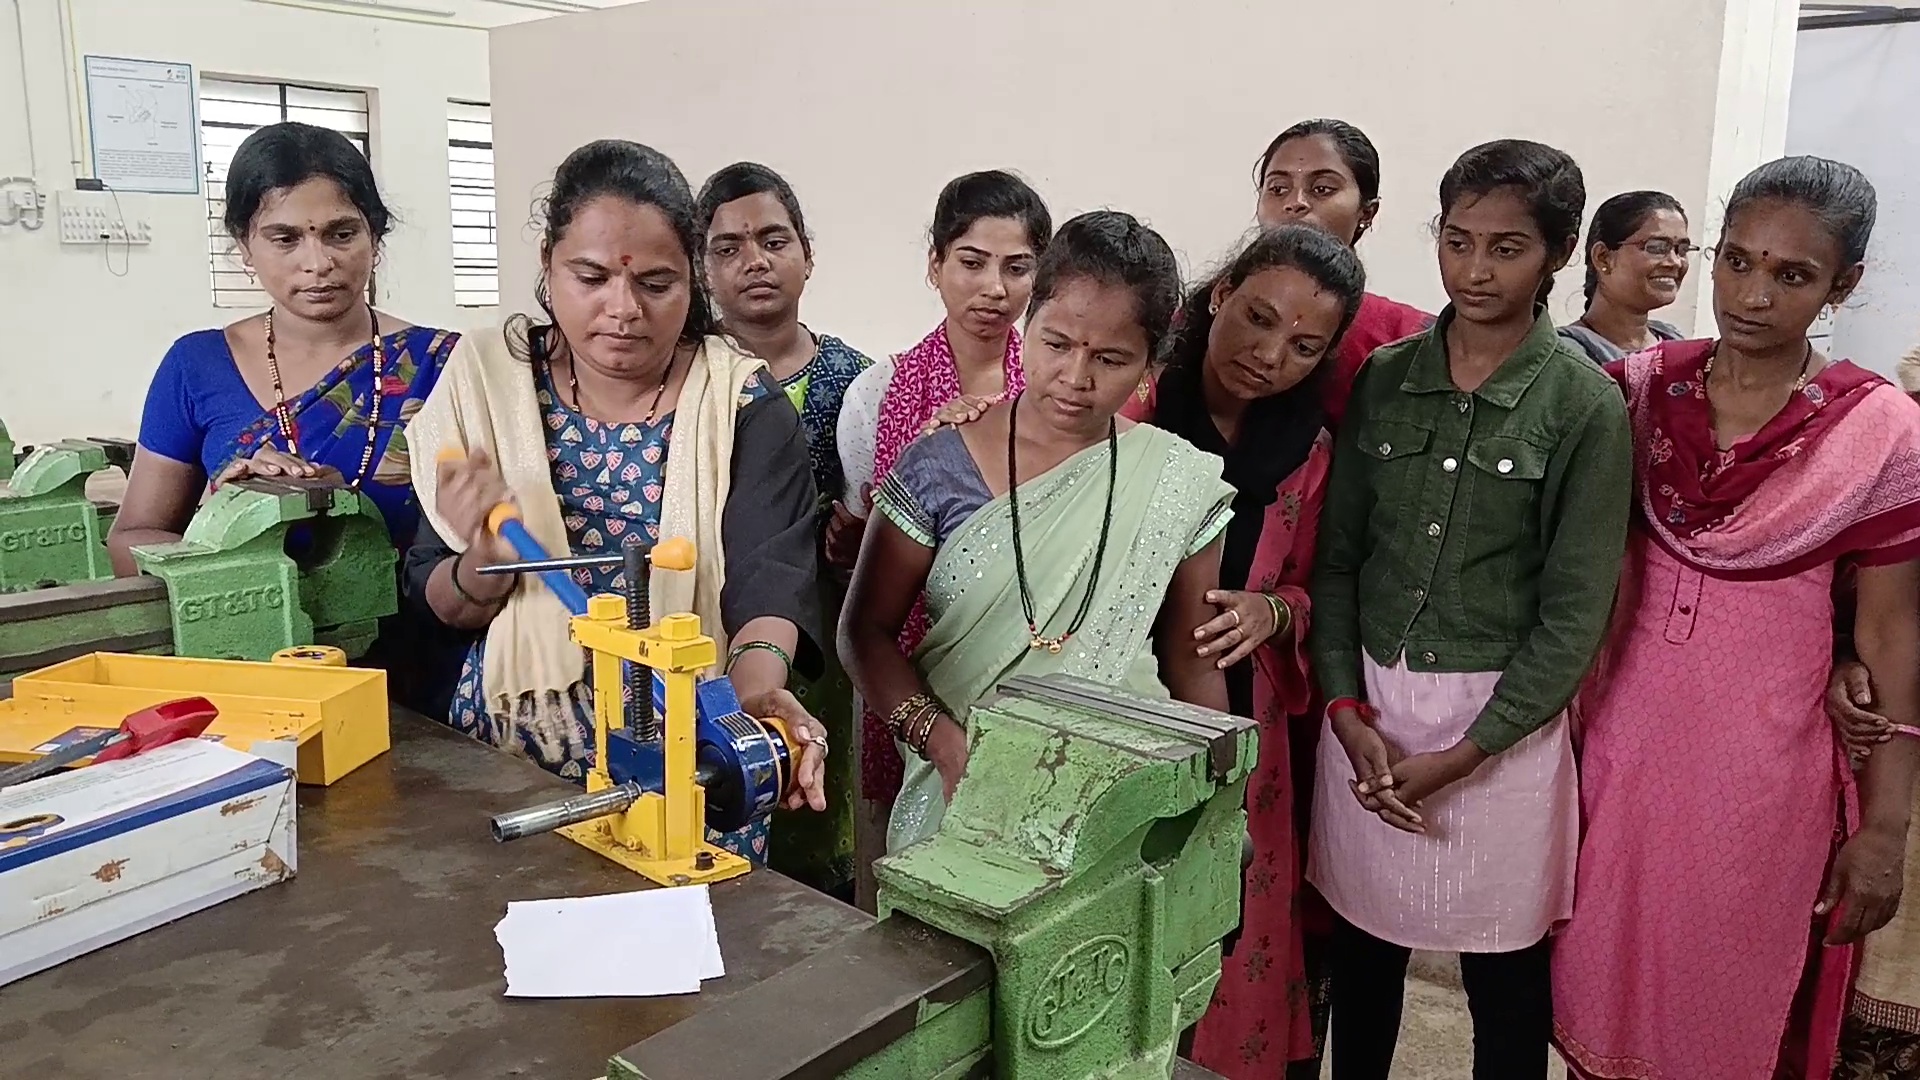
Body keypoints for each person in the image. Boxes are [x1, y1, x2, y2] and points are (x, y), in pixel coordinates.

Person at [1552, 157, 1920, 1080]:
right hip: (1617, 752)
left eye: (1793, 275)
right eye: (1738, 262)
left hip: (1760, 776)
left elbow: (1890, 633)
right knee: (1598, 987)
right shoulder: (1637, 390)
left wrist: (1884, 830)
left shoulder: (1878, 431)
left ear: (1845, 283)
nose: (1753, 295)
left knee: (1723, 1005)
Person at [403, 140, 829, 858]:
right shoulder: (485, 384)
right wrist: (486, 555)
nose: (622, 309)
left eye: (656, 283)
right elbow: (440, 599)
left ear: (692, 280)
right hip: (510, 753)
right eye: (591, 277)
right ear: (547, 265)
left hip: (690, 753)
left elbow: (769, 583)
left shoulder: (742, 406)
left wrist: (753, 696)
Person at [1308, 139, 1631, 1080]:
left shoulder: (1582, 406)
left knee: (1505, 976)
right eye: (1458, 241)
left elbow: (1576, 614)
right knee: (1365, 957)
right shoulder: (1386, 377)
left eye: (1507, 248)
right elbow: (1339, 565)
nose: (1476, 270)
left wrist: (1467, 753)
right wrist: (1343, 709)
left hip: (1503, 735)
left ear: (1560, 254)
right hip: (1371, 709)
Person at [839, 209, 1233, 854]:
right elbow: (864, 632)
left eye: (1110, 358)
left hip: (1122, 788)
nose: (1076, 379)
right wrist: (944, 746)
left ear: (1150, 364)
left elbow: (1191, 661)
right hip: (961, 782)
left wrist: (1215, 792)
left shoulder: (1173, 480)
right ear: (1028, 325)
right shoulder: (938, 464)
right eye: (1056, 344)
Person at [112, 120, 460, 710]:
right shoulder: (197, 365)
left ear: (375, 236)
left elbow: (478, 538)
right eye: (284, 238)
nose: (317, 262)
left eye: (340, 233)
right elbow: (131, 540)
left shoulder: (444, 365)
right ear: (244, 247)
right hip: (251, 680)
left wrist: (338, 503)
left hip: (424, 678)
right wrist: (230, 520)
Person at [1143, 225, 1366, 1078]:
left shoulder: (1308, 448)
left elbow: (1324, 583)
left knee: (1233, 914)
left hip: (1246, 720)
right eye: (1259, 318)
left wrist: (1277, 611)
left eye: (1304, 345)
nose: (1270, 355)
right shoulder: (1139, 402)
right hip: (1127, 697)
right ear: (1219, 292)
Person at [834, 169, 1051, 901]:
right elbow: (865, 562)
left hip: (1024, 667)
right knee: (898, 880)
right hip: (900, 665)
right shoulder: (876, 395)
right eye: (971, 261)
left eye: (1017, 267)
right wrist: (927, 471)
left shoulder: (1058, 394)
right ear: (935, 264)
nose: (995, 287)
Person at [697, 161, 869, 896]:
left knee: (813, 830)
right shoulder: (686, 385)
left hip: (824, 653)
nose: (755, 261)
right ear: (702, 269)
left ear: (807, 252)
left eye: (773, 239)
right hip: (700, 636)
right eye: (728, 247)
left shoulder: (858, 384)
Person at [1252, 119, 1430, 428]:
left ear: (1367, 212)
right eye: (1278, 189)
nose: (1295, 203)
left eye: (1321, 189)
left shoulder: (1409, 338)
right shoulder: (1209, 317)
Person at [1558, 190, 1692, 363]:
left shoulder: (1675, 344)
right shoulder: (1567, 357)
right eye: (1656, 247)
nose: (1675, 262)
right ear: (1603, 257)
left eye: (1682, 250)